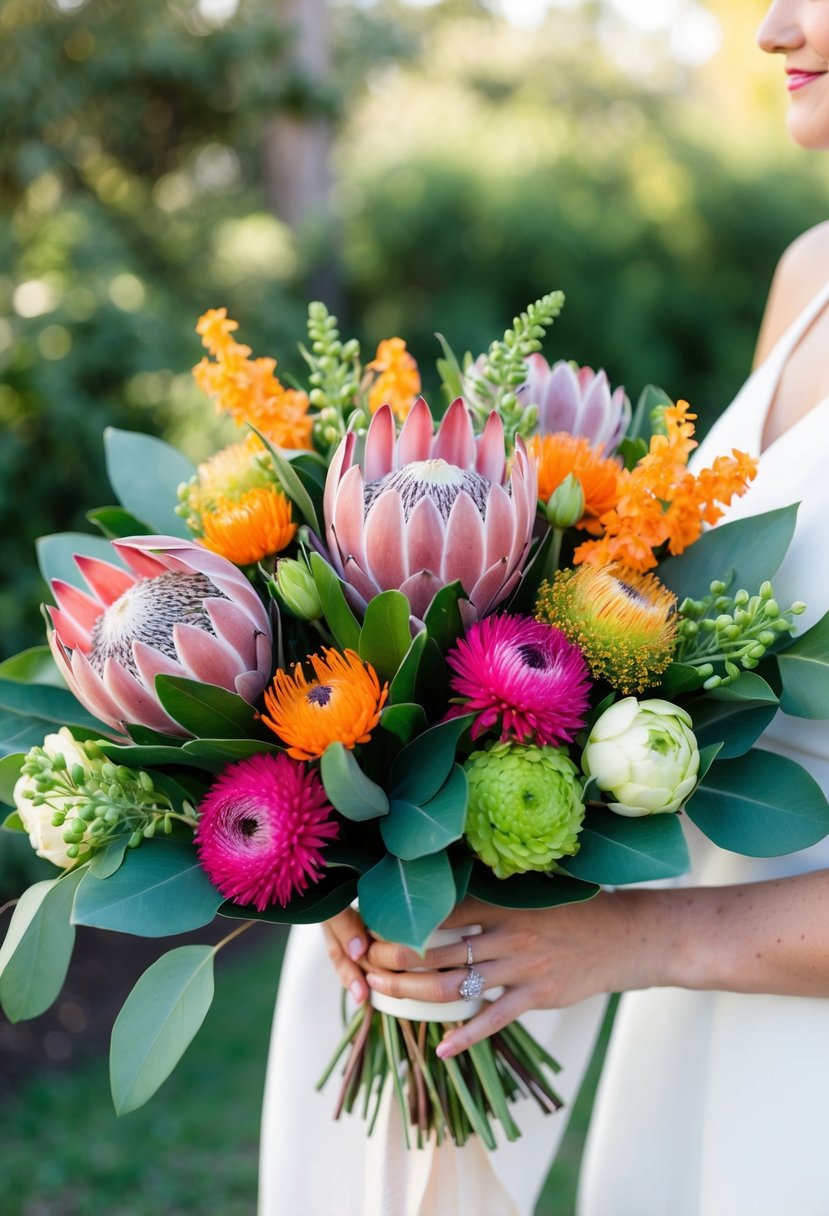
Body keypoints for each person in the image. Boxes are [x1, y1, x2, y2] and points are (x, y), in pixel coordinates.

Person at [259, 3, 829, 1211]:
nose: (774, 27)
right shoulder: (810, 274)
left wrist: (631, 938)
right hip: (697, 1014)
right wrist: (397, 855)